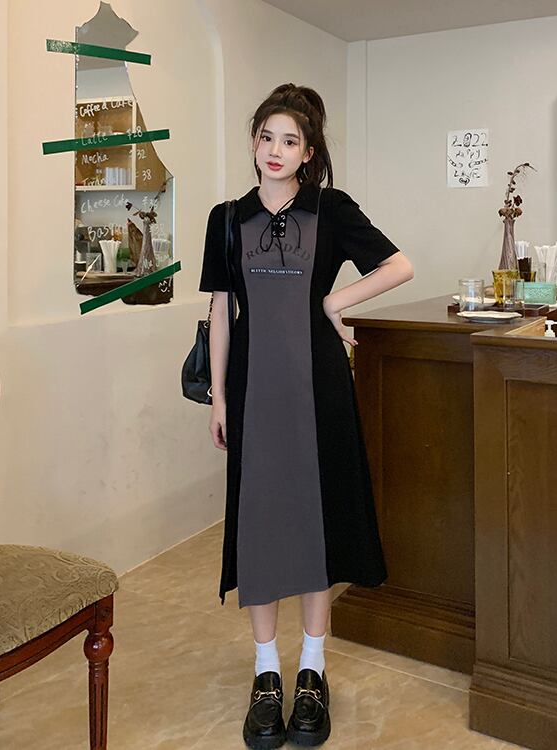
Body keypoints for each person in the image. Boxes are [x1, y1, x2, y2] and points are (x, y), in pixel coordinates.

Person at [198, 83, 414, 749]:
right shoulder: (225, 218)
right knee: (260, 525)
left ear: (308, 152)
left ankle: (312, 670)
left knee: (318, 523)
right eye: (266, 137)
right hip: (253, 390)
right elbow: (220, 311)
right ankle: (267, 674)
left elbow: (399, 265)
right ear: (254, 141)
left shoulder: (332, 208)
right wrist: (219, 396)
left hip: (319, 387)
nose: (275, 150)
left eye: (289, 140)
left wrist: (332, 302)